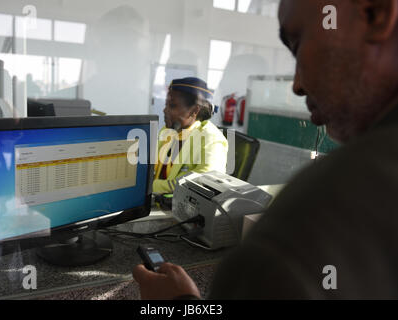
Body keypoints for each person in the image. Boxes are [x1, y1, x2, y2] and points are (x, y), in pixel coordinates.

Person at [133, 0, 398, 299]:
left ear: (375, 14)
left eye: (297, 45)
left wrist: (179, 304)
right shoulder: (170, 135)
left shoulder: (329, 201)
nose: (297, 85)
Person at [152, 77, 228, 194]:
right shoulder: (168, 131)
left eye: (172, 106)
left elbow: (202, 182)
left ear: (194, 111)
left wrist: (151, 187)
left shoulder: (212, 140)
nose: (164, 110)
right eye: (166, 104)